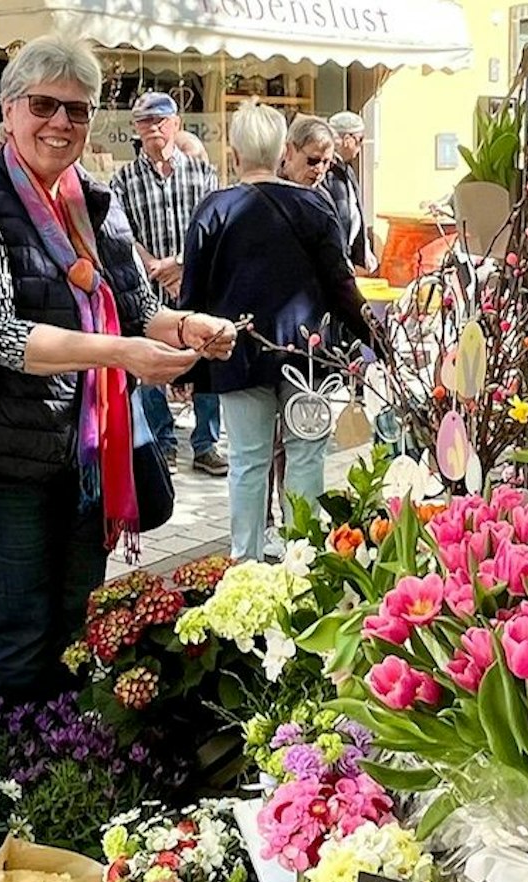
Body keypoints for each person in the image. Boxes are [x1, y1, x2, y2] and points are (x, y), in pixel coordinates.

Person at [0, 35, 236, 704]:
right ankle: (1, 781)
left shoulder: (95, 199)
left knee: (74, 627)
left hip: (79, 455)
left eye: (79, 110)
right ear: (9, 110)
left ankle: (60, 777)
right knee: (16, 634)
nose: (61, 123)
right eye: (44, 105)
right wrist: (123, 354)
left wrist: (187, 328)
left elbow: (137, 306)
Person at [182, 104, 376, 561]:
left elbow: (193, 293)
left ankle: (244, 563)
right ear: (283, 151)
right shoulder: (314, 206)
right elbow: (340, 283)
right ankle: (303, 564)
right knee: (306, 458)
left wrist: (185, 359)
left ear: (233, 154)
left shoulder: (214, 209)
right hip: (304, 355)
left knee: (248, 462)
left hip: (237, 350)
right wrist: (374, 337)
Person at [109, 91, 225, 476]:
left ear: (176, 125)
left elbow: (214, 229)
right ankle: (163, 441)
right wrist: (156, 267)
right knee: (149, 364)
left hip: (195, 281)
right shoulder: (122, 180)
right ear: (136, 130)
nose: (154, 128)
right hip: (147, 286)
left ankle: (206, 443)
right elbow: (121, 234)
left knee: (205, 356)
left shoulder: (201, 174)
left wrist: (180, 264)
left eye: (161, 120)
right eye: (145, 122)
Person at [325, 111, 377, 273]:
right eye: (359, 140)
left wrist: (365, 249)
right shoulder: (327, 171)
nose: (360, 148)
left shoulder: (346, 170)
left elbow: (355, 211)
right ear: (347, 140)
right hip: (334, 257)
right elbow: (335, 219)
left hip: (344, 254)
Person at [280, 114, 336, 192]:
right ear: (289, 152)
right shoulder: (268, 194)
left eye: (326, 163)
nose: (319, 170)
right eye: (313, 160)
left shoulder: (325, 193)